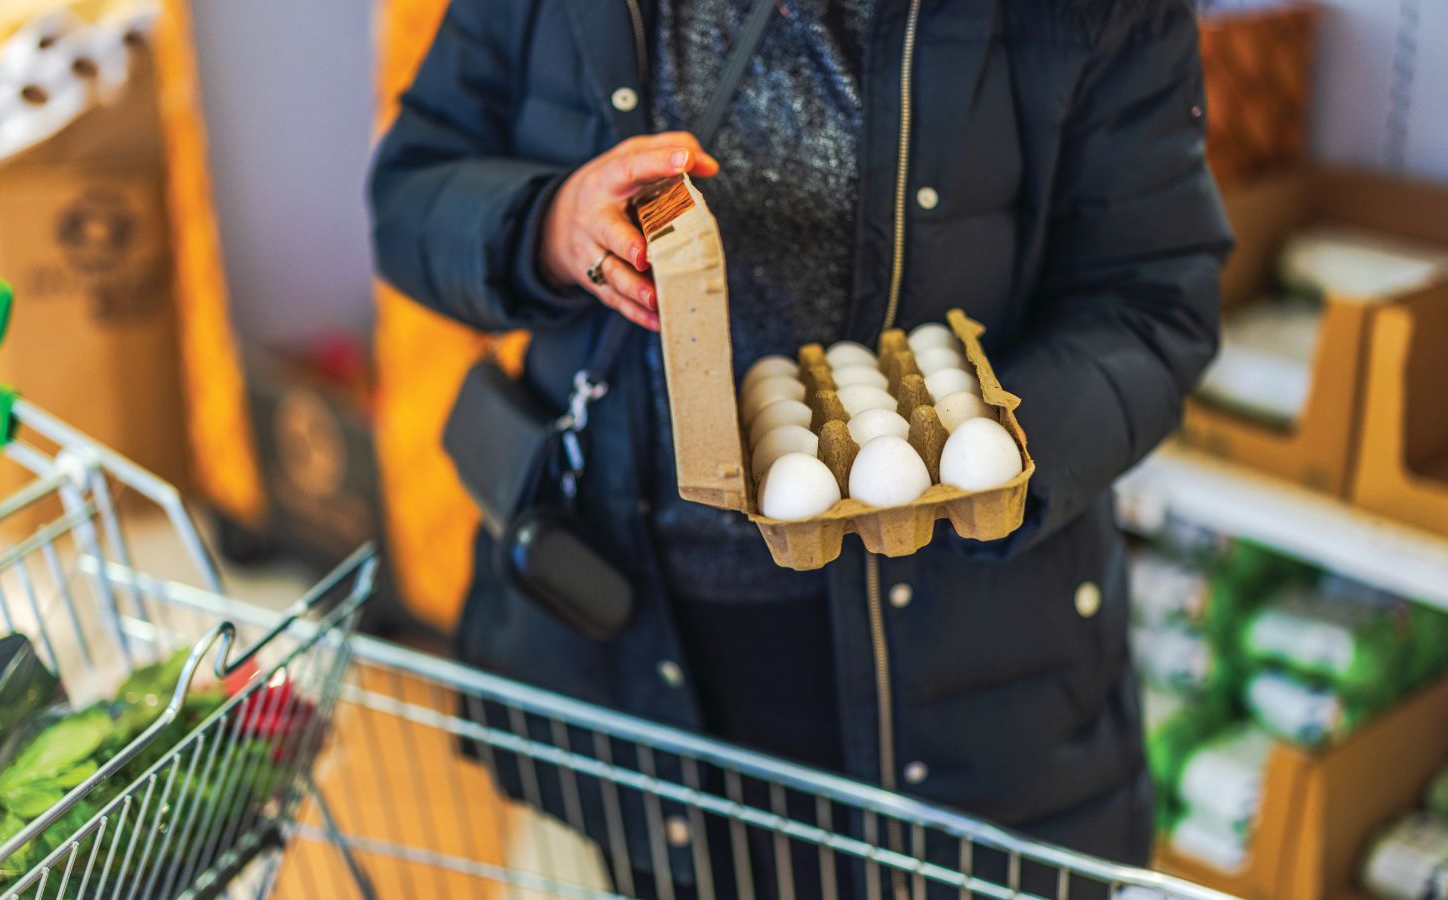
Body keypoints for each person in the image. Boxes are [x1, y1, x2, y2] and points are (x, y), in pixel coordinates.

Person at [369, 0, 1231, 895]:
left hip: (959, 653)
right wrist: (546, 227)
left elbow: (1150, 299)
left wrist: (988, 448)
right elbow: (413, 190)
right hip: (632, 638)